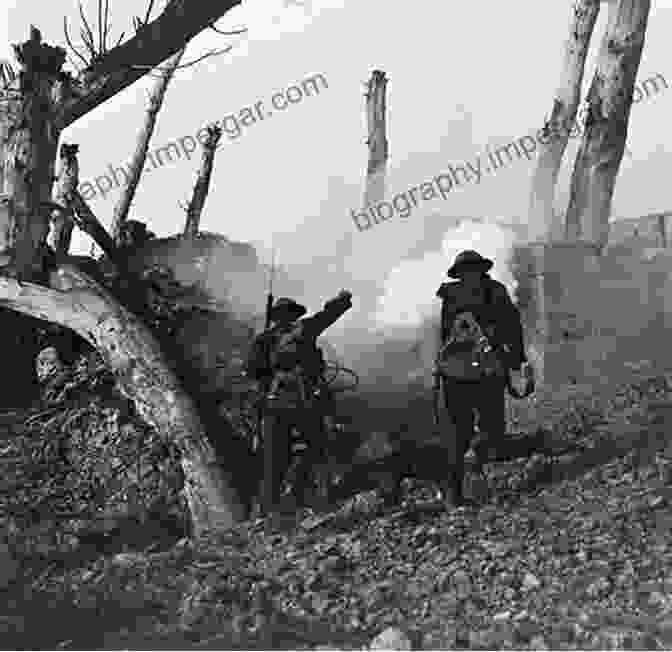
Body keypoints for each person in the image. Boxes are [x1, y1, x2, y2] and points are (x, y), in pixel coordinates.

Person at [244, 290, 353, 516]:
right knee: (282, 457)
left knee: (308, 450)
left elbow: (327, 315)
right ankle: (276, 507)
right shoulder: (287, 333)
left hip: (294, 402)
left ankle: (295, 499)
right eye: (284, 314)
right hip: (288, 403)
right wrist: (341, 302)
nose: (285, 318)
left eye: (287, 314)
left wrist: (340, 302)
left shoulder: (272, 337)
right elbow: (253, 372)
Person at [435, 250, 528, 507]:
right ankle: (473, 475)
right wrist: (517, 358)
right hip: (485, 372)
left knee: (461, 434)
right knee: (489, 430)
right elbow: (513, 325)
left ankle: (461, 490)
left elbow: (444, 335)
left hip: (460, 374)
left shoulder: (451, 295)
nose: (470, 276)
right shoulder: (495, 291)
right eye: (468, 272)